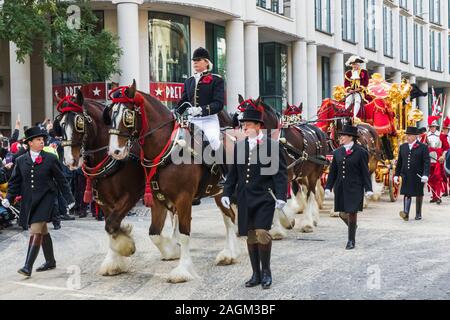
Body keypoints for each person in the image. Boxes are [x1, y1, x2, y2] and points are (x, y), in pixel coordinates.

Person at [221, 106, 288, 289]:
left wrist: (282, 196)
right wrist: (227, 193)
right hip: (244, 197)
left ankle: (266, 272)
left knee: (262, 233)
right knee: (250, 236)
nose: (244, 128)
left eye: (247, 125)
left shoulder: (273, 146)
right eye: (243, 125)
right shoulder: (239, 146)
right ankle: (255, 274)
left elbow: (281, 174)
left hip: (265, 197)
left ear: (258, 126)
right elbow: (232, 174)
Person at [2, 126, 75, 277]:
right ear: (30, 143)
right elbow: (15, 182)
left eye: (43, 140)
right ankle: (50, 261)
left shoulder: (50, 158)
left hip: (47, 199)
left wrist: (69, 199)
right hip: (29, 200)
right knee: (42, 231)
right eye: (38, 140)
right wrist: (9, 198)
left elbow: (61, 180)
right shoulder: (21, 160)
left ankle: (27, 266)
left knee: (35, 230)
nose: (42, 142)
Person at [324, 125, 373, 250]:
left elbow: (365, 172)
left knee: (352, 212)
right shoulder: (338, 152)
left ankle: (351, 240)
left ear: (350, 137)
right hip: (340, 186)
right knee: (341, 213)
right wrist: (328, 187)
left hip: (355, 186)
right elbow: (333, 171)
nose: (340, 138)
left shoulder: (361, 152)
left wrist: (368, 188)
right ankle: (353, 226)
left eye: (343, 136)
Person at [394, 126, 430, 221]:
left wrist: (426, 174)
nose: (407, 137)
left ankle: (418, 213)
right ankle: (406, 213)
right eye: (407, 135)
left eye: (409, 135)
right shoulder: (403, 147)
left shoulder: (423, 147)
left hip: (418, 175)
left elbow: (427, 162)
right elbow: (400, 163)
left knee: (418, 194)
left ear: (415, 136)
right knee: (407, 193)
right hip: (406, 175)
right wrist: (396, 175)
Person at [344, 56, 369, 122]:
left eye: (356, 64)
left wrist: (359, 88)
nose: (354, 65)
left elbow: (366, 82)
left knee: (358, 100)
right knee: (348, 100)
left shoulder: (363, 72)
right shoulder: (348, 73)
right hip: (351, 91)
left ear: (358, 64)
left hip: (360, 92)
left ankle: (354, 116)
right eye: (353, 64)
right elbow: (346, 83)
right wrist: (349, 90)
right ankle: (347, 115)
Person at [426, 116, 444, 204]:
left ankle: (438, 195)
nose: (432, 128)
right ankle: (433, 196)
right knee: (431, 178)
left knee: (438, 178)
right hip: (429, 159)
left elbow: (445, 147)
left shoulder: (440, 135)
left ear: (436, 127)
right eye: (430, 127)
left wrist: (442, 156)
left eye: (433, 126)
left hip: (437, 159)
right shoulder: (426, 135)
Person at [440, 117, 450, 197]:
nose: (445, 130)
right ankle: (445, 190)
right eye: (444, 128)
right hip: (443, 156)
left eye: (446, 129)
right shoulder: (441, 137)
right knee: (443, 175)